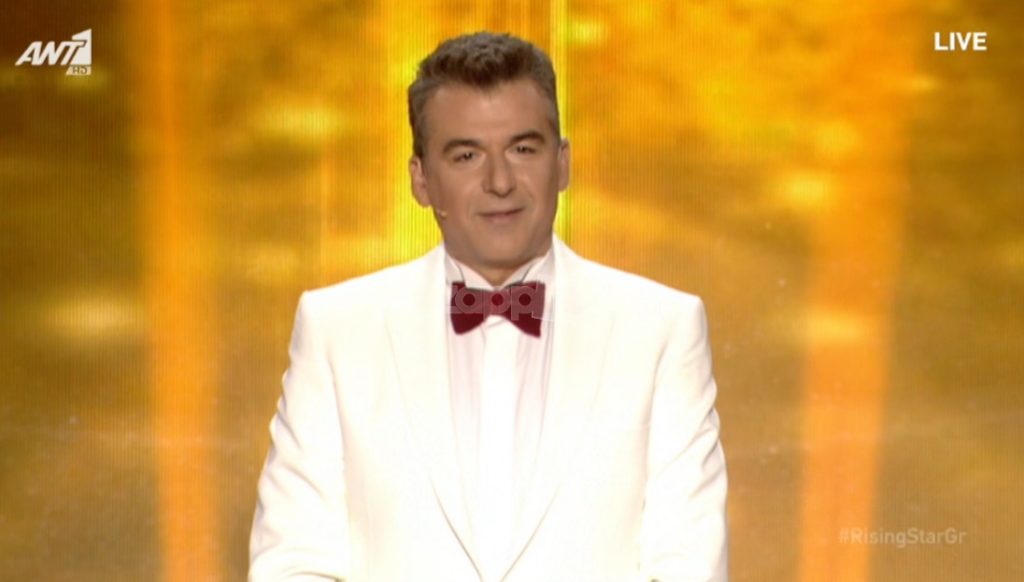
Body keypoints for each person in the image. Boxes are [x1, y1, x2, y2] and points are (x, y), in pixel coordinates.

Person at [249, 31, 727, 582]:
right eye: (467, 155)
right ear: (421, 180)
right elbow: (293, 562)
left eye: (523, 149)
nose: (500, 182)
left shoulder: (661, 330)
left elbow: (688, 564)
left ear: (562, 163)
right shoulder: (337, 331)